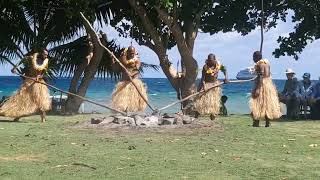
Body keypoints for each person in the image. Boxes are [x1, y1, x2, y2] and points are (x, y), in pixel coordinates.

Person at [0, 49, 51, 122]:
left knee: (40, 100)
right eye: (44, 54)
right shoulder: (33, 58)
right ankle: (17, 116)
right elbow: (22, 60)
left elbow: (43, 73)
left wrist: (39, 77)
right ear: (41, 54)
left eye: (46, 54)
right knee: (22, 100)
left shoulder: (46, 62)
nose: (45, 56)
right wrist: (14, 68)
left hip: (38, 83)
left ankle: (43, 118)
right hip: (29, 82)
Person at [249, 51, 282, 127]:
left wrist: (257, 89)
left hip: (262, 84)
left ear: (257, 57)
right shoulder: (267, 63)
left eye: (254, 57)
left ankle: (256, 122)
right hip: (269, 84)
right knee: (267, 103)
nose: (253, 59)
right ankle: (267, 122)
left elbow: (261, 76)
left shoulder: (260, 64)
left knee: (257, 103)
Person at [111, 46, 148, 112]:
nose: (131, 55)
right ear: (127, 52)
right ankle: (124, 112)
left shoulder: (137, 60)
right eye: (130, 53)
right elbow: (115, 69)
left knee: (135, 101)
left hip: (134, 83)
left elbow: (137, 70)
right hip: (124, 83)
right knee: (122, 102)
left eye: (133, 53)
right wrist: (112, 60)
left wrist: (131, 74)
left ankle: (134, 112)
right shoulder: (122, 59)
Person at [194, 54, 228, 120]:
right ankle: (197, 113)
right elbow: (203, 78)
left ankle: (213, 114)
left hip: (215, 85)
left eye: (211, 60)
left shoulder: (218, 65)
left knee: (214, 101)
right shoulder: (205, 67)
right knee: (201, 100)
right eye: (209, 60)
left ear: (214, 60)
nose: (210, 62)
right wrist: (204, 86)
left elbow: (225, 70)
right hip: (206, 84)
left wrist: (226, 78)